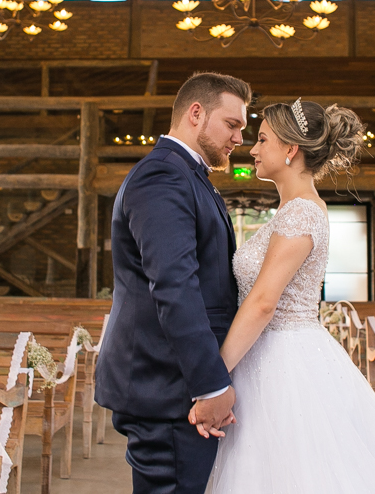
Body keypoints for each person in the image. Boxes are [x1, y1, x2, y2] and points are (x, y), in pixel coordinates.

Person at [201, 99, 375, 493]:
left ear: (290, 150)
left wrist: (215, 373)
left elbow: (264, 302)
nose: (253, 149)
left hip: (284, 360)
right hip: (268, 355)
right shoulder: (290, 211)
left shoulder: (301, 213)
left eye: (263, 139)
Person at [96, 72, 252, 494]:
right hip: (167, 384)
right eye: (232, 124)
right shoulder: (163, 176)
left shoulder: (189, 175)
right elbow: (174, 287)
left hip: (173, 381)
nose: (240, 137)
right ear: (196, 113)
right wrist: (211, 384)